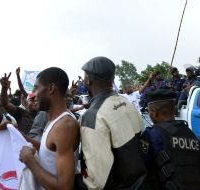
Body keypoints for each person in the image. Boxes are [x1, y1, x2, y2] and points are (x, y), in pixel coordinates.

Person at [77, 57, 146, 190]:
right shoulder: (127, 103)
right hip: (140, 183)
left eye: (85, 76)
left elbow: (97, 182)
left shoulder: (93, 115)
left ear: (89, 80)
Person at [18, 67, 80, 190]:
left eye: (36, 88)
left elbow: (65, 187)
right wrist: (14, 131)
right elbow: (48, 150)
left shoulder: (64, 126)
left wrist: (30, 162)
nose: (33, 95)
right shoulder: (53, 120)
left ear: (51, 89)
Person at [140, 89, 200, 190]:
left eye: (149, 111)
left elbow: (141, 166)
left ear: (153, 112)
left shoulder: (151, 135)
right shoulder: (191, 133)